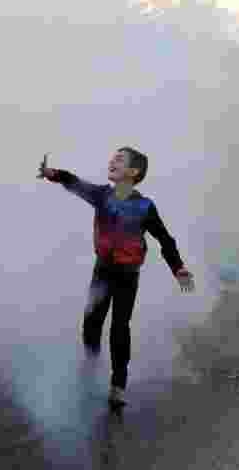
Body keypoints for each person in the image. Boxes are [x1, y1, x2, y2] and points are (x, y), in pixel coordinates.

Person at [38, 148, 193, 407]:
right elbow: (75, 182)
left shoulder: (145, 206)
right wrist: (51, 174)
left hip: (127, 275)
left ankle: (118, 385)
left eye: (119, 159)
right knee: (91, 322)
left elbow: (165, 240)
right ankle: (90, 370)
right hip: (103, 270)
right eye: (112, 158)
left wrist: (178, 268)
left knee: (119, 328)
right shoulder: (101, 195)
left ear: (134, 172)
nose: (112, 161)